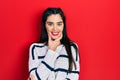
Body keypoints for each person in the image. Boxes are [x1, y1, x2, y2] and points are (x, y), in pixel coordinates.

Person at [28, 7, 80, 80]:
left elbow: (73, 77)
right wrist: (51, 51)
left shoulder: (72, 47)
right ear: (44, 25)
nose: (55, 29)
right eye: (50, 24)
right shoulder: (35, 48)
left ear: (63, 25)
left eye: (59, 24)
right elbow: (35, 78)